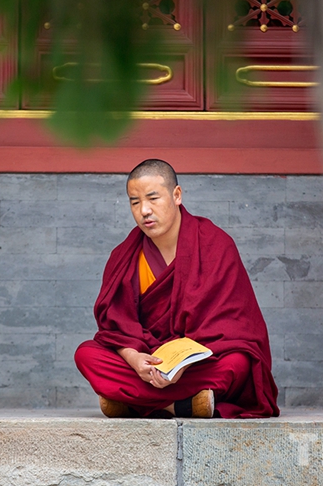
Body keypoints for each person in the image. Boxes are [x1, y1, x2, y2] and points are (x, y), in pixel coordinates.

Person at [74, 159, 279, 418]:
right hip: (147, 360)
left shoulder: (215, 245)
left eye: (153, 198)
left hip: (197, 362)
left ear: (177, 195)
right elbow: (115, 328)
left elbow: (233, 328)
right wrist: (134, 359)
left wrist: (181, 363)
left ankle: (133, 401)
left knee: (238, 363)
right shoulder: (124, 256)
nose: (144, 210)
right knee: (86, 354)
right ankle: (183, 404)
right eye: (135, 202)